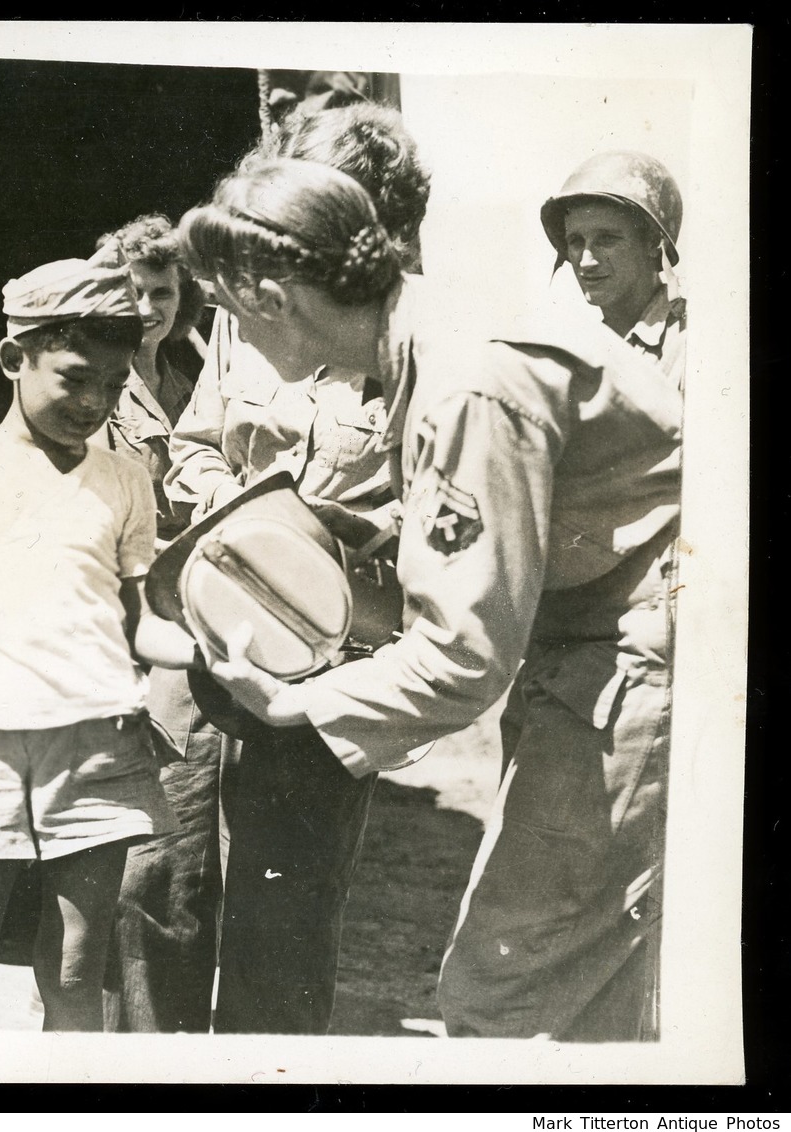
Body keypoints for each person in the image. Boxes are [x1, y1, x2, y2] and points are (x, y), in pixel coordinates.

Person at [184, 158, 680, 1041]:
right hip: (592, 649)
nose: (230, 338)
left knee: (508, 996)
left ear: (273, 297)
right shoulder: (432, 337)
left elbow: (464, 655)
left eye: (226, 310)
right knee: (596, 994)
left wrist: (296, 701)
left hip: (640, 659)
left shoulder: (465, 381)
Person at [161, 102, 432, 1035]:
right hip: (205, 625)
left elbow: (431, 516)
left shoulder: (412, 353)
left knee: (282, 914)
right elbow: (191, 443)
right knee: (161, 888)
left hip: (322, 654)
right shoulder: (245, 313)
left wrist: (334, 531)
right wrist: (218, 503)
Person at [0, 255, 192, 1031]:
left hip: (97, 744)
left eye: (114, 386)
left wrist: (216, 649)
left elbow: (138, 620)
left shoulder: (126, 480)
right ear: (12, 358)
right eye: (73, 378)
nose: (94, 403)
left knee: (72, 974)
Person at [86, 215, 231, 1034]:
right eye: (133, 291)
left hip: (210, 615)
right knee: (152, 851)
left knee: (201, 851)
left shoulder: (204, 370)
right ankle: (136, 1047)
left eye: (163, 291)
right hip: (137, 624)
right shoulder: (94, 384)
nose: (149, 307)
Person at [539, 151, 686, 387]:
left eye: (606, 239)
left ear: (652, 243)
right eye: (576, 241)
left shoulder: (690, 344)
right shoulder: (581, 356)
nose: (586, 261)